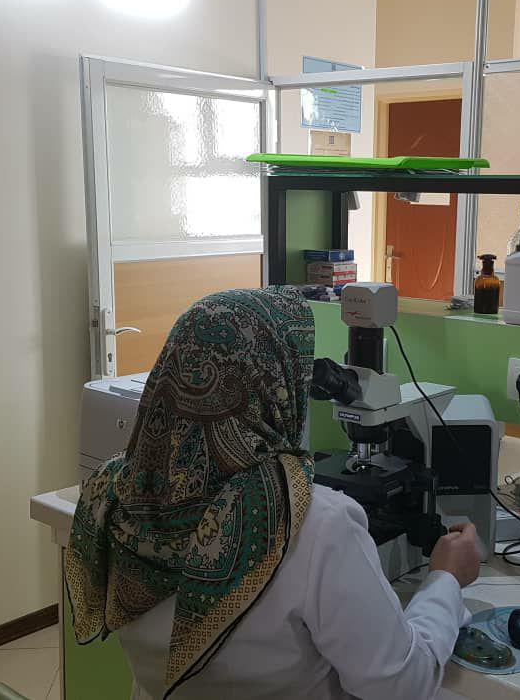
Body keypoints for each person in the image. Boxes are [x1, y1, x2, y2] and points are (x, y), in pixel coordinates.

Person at [65, 286, 481, 700]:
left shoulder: (108, 494)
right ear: (276, 385)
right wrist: (446, 579)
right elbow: (403, 685)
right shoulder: (316, 526)